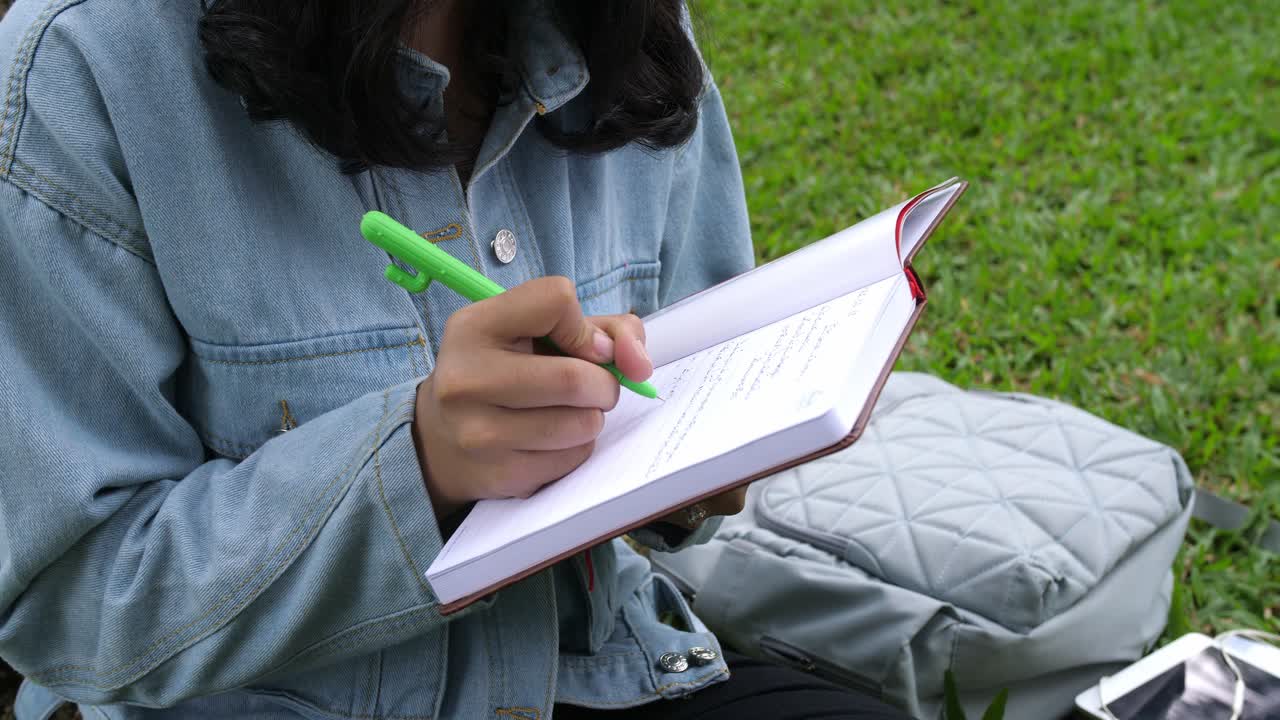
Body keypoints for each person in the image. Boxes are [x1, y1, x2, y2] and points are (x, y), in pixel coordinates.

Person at [0, 0, 910, 718]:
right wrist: (418, 468)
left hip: (597, 674)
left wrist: (697, 463)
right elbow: (70, 609)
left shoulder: (629, 32)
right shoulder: (86, 66)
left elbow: (684, 386)